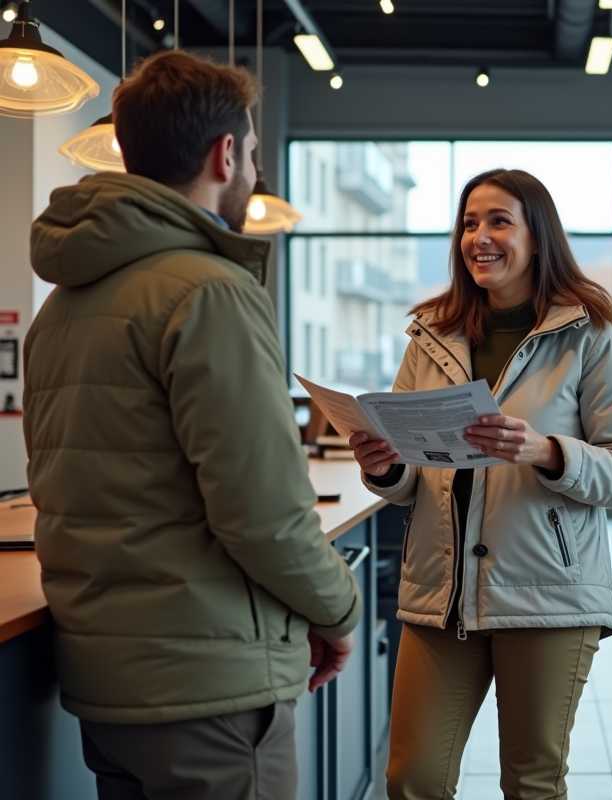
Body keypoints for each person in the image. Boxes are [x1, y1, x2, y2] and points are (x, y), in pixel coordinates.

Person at [23, 50, 361, 800]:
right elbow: (265, 514)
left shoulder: (64, 302)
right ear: (226, 153)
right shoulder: (210, 291)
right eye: (252, 154)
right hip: (211, 685)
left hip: (109, 683)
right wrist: (338, 607)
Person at [352, 168, 612, 800]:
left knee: (531, 783)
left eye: (497, 221)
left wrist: (547, 451)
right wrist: (385, 465)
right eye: (468, 223)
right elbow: (413, 478)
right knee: (412, 779)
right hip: (440, 595)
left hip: (547, 596)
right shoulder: (431, 333)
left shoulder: (590, 335)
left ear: (537, 238)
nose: (478, 237)